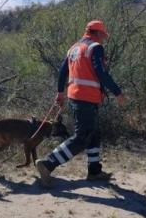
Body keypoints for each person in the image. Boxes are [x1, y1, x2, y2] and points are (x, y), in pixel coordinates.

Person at [36, 20, 124, 187]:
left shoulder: (74, 48)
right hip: (86, 98)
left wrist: (60, 93)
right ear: (96, 33)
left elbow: (63, 72)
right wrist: (117, 92)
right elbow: (101, 73)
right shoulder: (94, 47)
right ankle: (48, 164)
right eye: (102, 36)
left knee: (94, 133)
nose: (103, 40)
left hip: (76, 96)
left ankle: (94, 171)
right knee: (82, 137)